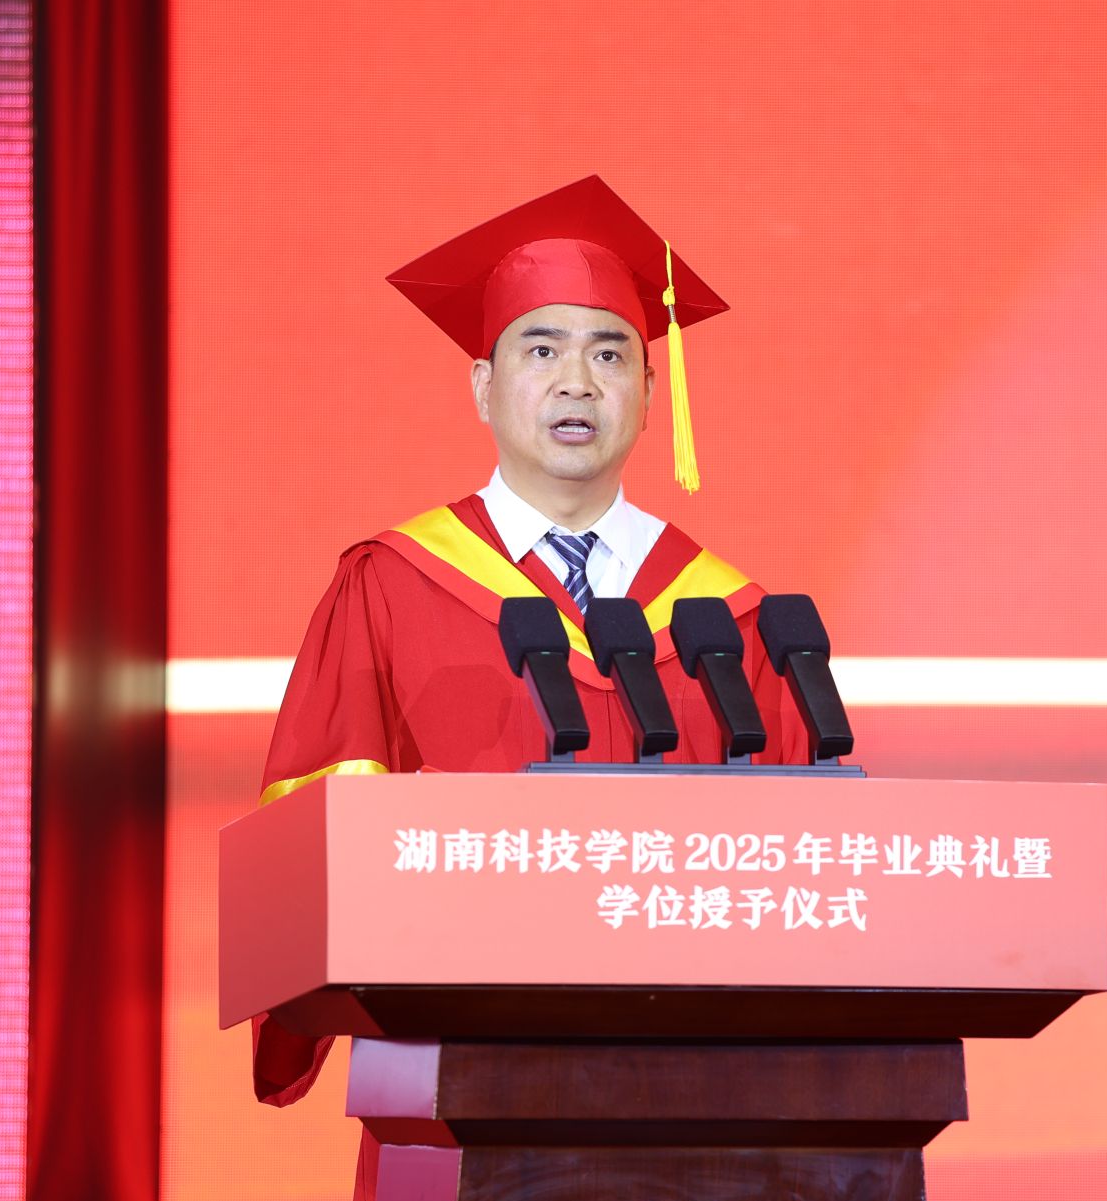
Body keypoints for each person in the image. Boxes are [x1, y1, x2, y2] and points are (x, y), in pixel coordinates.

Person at [249, 176, 811, 1107]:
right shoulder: (390, 584)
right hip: (458, 1070)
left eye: (609, 353)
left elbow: (799, 872)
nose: (576, 381)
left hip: (697, 1083)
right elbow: (314, 843)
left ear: (648, 392)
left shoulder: (730, 622)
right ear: (483, 386)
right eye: (541, 349)